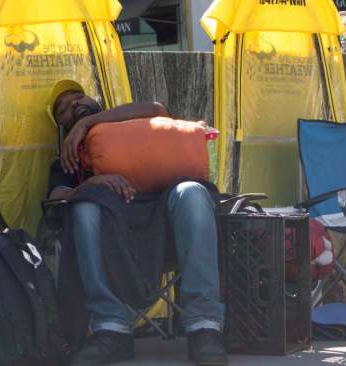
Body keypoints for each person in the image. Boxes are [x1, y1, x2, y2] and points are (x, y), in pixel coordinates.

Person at [47, 80, 227, 366]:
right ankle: (111, 328)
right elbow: (57, 197)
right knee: (83, 208)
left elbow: (157, 109)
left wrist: (88, 123)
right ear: (61, 127)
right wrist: (93, 181)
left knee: (193, 193)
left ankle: (203, 327)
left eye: (78, 97)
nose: (74, 105)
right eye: (64, 110)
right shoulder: (70, 160)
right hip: (116, 229)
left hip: (167, 218)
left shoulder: (130, 120)